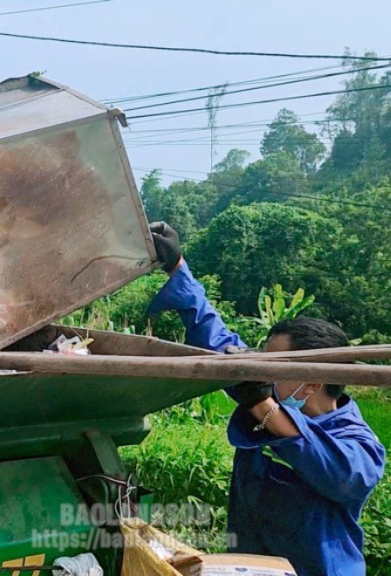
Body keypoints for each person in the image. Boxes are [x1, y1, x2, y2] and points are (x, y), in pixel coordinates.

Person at [147, 221, 385, 576]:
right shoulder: (265, 390)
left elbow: (336, 472)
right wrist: (178, 265)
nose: (265, 374)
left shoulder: (359, 447)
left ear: (314, 382)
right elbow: (217, 339)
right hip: (253, 566)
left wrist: (263, 403)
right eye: (264, 361)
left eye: (276, 366)